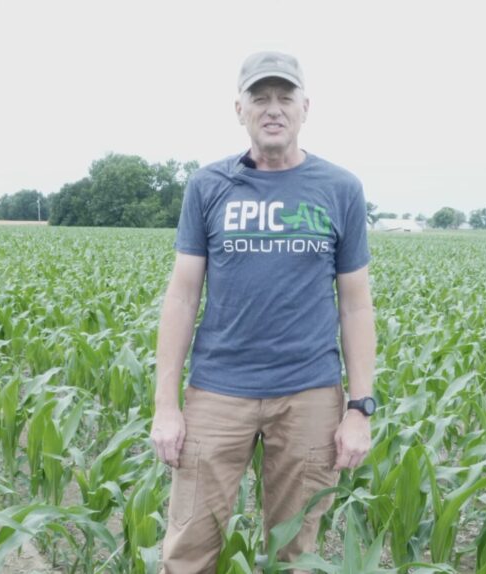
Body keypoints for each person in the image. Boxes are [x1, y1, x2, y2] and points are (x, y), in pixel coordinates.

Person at [151, 50, 377, 573]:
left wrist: (359, 409)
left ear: (305, 108)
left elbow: (356, 303)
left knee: (298, 554)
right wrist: (167, 405)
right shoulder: (209, 186)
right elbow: (182, 297)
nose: (273, 109)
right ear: (239, 109)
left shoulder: (339, 189)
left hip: (309, 395)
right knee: (187, 550)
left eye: (284, 97)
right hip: (217, 392)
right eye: (260, 98)